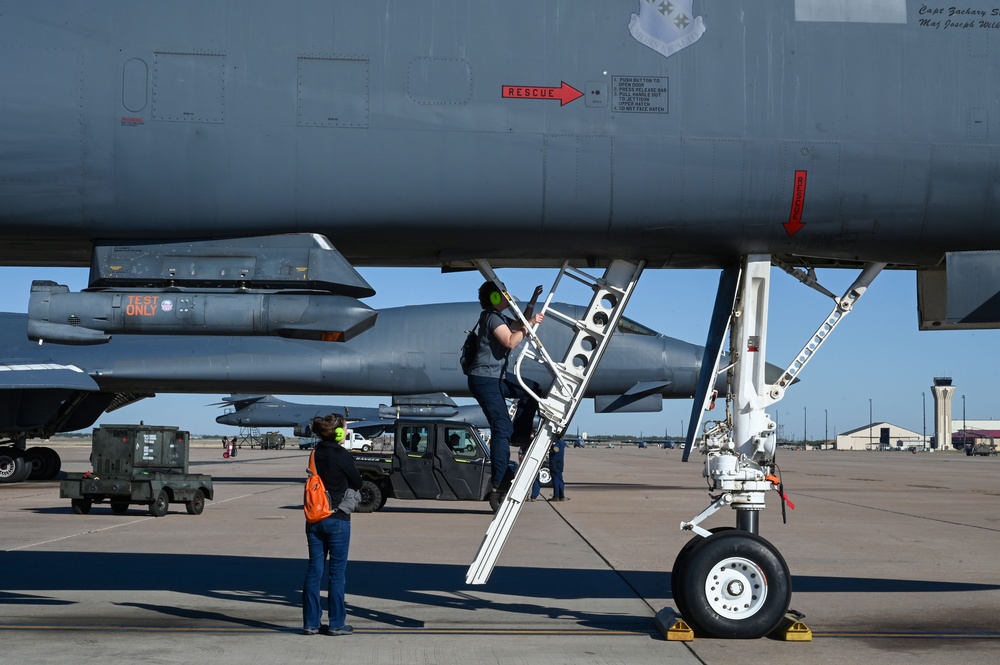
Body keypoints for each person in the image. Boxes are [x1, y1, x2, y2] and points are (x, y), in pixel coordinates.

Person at [467, 280, 545, 496]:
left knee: (532, 389)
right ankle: (499, 480)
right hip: (485, 380)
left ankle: (519, 434)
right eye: (503, 293)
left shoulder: (498, 317)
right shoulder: (492, 317)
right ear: (494, 298)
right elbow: (510, 341)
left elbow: (519, 325)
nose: (507, 296)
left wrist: (532, 302)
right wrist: (531, 322)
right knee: (501, 428)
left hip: (496, 377)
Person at [302, 414, 363, 636]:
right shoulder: (340, 453)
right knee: (336, 574)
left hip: (315, 518)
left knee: (314, 570)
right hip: (337, 518)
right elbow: (357, 482)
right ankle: (336, 623)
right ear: (338, 433)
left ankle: (310, 623)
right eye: (345, 429)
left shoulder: (315, 453)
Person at [549, 435, 567, 501]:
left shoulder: (555, 440)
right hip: (560, 461)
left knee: (555, 478)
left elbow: (556, 449)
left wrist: (550, 449)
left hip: (555, 461)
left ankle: (556, 496)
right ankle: (561, 495)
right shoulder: (562, 441)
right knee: (560, 478)